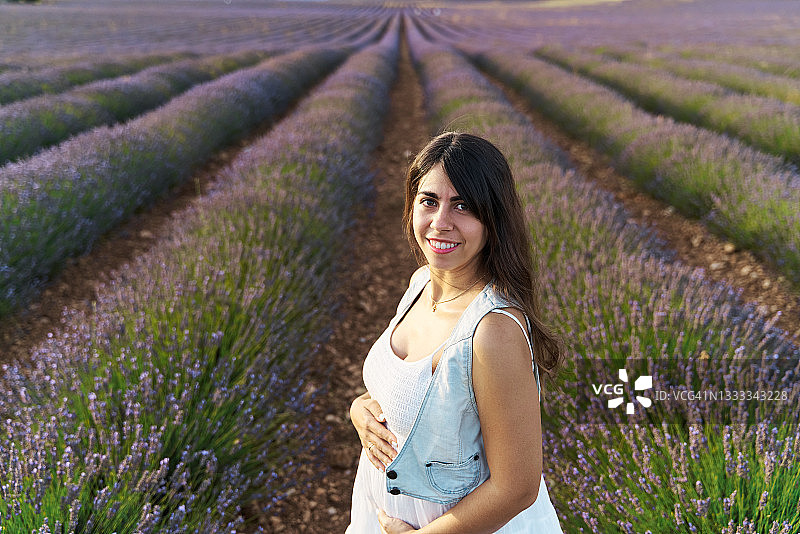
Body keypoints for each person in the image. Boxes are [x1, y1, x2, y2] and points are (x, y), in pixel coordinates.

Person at [346, 132, 565, 533]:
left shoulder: (492, 330)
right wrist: (360, 411)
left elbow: (517, 487)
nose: (440, 222)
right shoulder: (419, 285)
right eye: (429, 201)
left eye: (462, 205)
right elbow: (413, 396)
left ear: (492, 218)